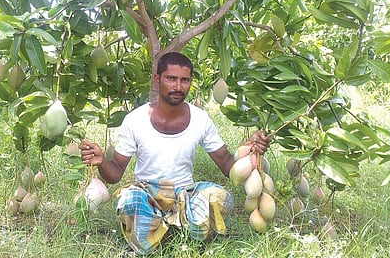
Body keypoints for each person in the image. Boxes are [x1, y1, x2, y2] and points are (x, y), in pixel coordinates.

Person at [79, 52, 271, 255]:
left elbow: (226, 164)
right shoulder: (135, 120)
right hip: (147, 193)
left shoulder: (200, 119)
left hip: (185, 193)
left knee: (222, 198)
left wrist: (249, 149)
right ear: (157, 79)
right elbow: (115, 173)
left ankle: (171, 230)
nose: (178, 87)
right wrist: (101, 161)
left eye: (184, 80)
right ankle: (169, 231)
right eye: (171, 78)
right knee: (128, 201)